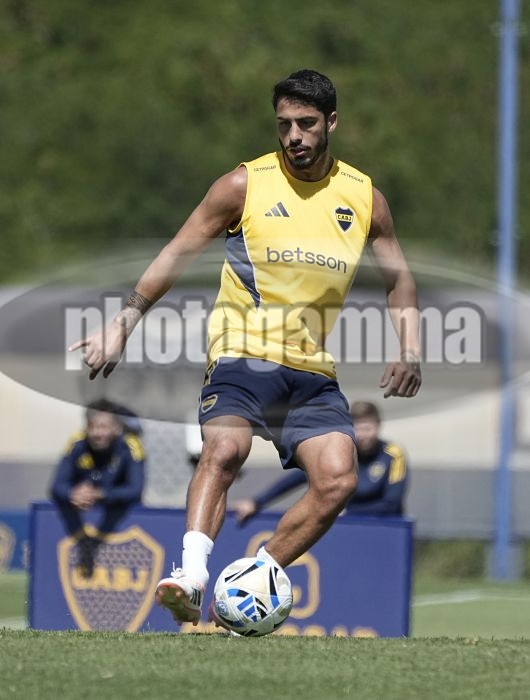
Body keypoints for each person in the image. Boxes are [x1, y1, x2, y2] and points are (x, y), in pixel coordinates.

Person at [69, 69, 421, 626]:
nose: (294, 136)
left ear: (331, 122)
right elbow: (177, 251)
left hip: (310, 370)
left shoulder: (365, 198)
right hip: (241, 353)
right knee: (225, 449)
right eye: (284, 125)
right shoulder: (243, 185)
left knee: (338, 479)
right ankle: (191, 576)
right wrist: (123, 321)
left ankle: (253, 577)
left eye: (306, 124)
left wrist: (411, 348)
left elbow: (398, 278)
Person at [234, 401, 408, 524]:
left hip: (384, 529)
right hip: (345, 526)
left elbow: (391, 504)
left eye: (368, 428)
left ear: (378, 427)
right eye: (358, 428)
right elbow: (297, 478)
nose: (363, 435)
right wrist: (257, 502)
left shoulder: (394, 455)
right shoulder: (339, 453)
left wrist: (348, 512)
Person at [49, 398, 145, 576]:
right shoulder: (76, 443)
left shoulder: (131, 445)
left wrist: (100, 494)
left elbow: (135, 490)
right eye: (92, 427)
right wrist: (73, 494)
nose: (97, 433)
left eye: (103, 427)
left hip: (122, 520)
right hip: (82, 520)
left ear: (116, 428)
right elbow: (56, 487)